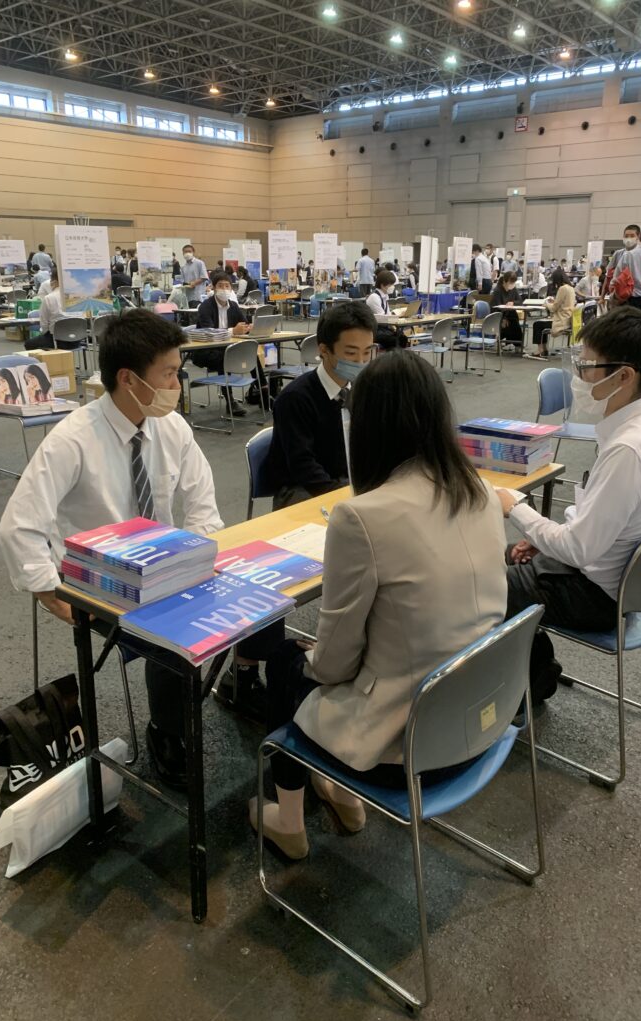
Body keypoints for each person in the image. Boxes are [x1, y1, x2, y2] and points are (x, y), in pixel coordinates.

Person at [250, 349, 508, 857]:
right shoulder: (479, 491)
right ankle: (340, 795)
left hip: (406, 747)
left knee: (284, 662)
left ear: (367, 426)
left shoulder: (361, 517)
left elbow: (333, 665)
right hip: (480, 719)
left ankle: (290, 820)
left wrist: (311, 655)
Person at [0, 309, 223, 788]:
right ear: (128, 378)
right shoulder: (73, 439)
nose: (177, 383)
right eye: (168, 373)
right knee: (176, 635)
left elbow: (202, 501)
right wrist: (49, 592)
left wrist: (197, 554)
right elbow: (19, 526)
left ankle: (239, 687)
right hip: (98, 582)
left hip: (164, 564)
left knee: (243, 608)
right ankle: (167, 731)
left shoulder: (170, 428)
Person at [499, 307, 641, 702]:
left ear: (624, 376)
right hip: (631, 581)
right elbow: (599, 525)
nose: (578, 377)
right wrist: (547, 540)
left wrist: (515, 506)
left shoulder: (629, 448)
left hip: (598, 594)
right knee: (502, 555)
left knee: (480, 582)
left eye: (586, 367)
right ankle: (530, 668)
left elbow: (580, 549)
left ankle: (528, 684)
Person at [265, 300, 377, 510]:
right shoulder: (295, 399)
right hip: (301, 489)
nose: (361, 361)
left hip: (349, 484)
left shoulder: (364, 390)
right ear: (324, 350)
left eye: (367, 352)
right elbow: (303, 466)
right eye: (351, 353)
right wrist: (348, 500)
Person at [189, 272, 252, 417]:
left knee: (251, 352)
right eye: (220, 286)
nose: (224, 289)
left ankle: (263, 390)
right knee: (225, 357)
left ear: (231, 288)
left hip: (227, 348)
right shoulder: (205, 306)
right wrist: (232, 331)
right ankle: (230, 401)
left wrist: (249, 327)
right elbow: (209, 332)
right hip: (206, 351)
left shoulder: (234, 306)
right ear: (213, 287)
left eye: (227, 286)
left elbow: (244, 324)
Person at [528, 267, 575, 359]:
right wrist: (554, 302)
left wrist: (546, 304)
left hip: (561, 320)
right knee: (541, 324)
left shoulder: (562, 288)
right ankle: (544, 349)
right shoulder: (571, 288)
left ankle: (541, 349)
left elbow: (553, 308)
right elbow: (563, 303)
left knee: (537, 324)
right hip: (567, 319)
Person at [601, 224, 640, 302]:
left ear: (638, 237)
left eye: (632, 236)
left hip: (636, 296)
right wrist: (602, 297)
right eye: (626, 236)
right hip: (619, 296)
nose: (629, 238)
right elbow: (608, 276)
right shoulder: (618, 254)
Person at [489, 270, 523, 345]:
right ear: (504, 281)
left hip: (510, 315)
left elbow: (520, 301)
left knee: (514, 319)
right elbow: (495, 308)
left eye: (513, 283)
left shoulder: (513, 289)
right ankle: (513, 343)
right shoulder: (498, 291)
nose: (512, 285)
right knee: (512, 323)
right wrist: (503, 318)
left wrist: (513, 303)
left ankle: (517, 344)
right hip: (499, 316)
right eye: (510, 283)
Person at [36, 269, 62, 349]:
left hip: (56, 340)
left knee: (29, 344)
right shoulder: (76, 296)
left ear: (54, 281)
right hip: (78, 339)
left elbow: (44, 325)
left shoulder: (48, 298)